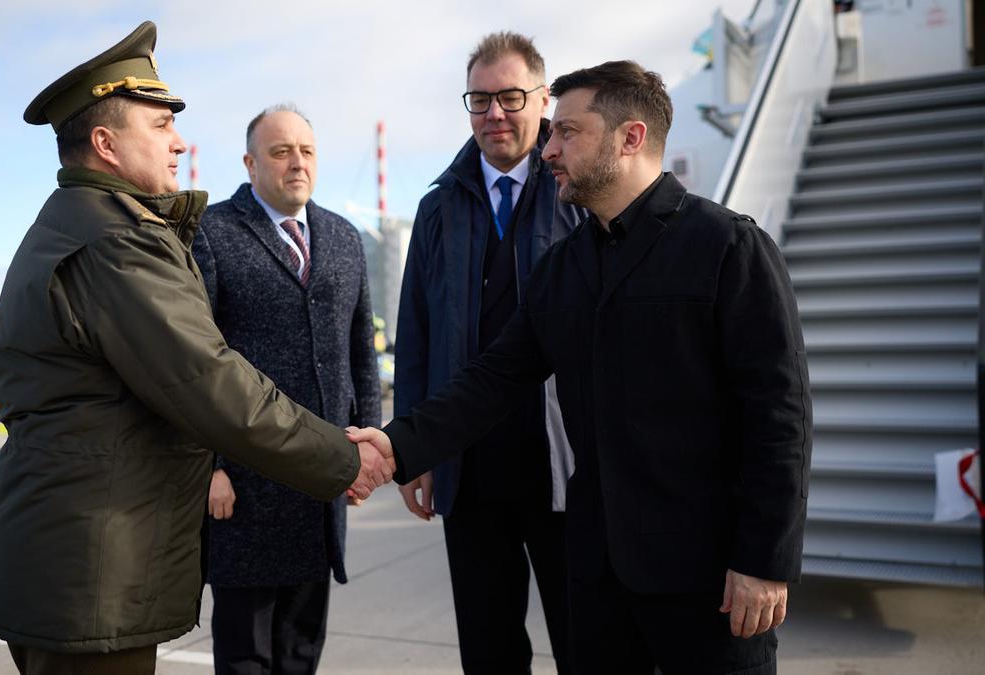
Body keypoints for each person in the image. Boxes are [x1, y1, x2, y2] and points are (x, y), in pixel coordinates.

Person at [350, 60, 811, 674]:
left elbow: (779, 420)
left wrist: (764, 561)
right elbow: (492, 381)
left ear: (630, 137)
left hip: (709, 584)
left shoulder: (728, 248)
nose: (549, 150)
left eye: (567, 132)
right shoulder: (565, 268)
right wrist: (393, 445)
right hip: (597, 580)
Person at [0, 22, 392, 674]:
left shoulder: (83, 225)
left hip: (74, 560)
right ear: (106, 143)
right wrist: (341, 457)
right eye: (159, 127)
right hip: (91, 571)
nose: (178, 142)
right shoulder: (118, 242)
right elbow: (209, 379)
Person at [392, 31, 583, 674]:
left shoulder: (579, 192)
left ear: (543, 99)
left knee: (588, 639)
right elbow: (414, 331)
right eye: (480, 99)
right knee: (488, 646)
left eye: (510, 97)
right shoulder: (438, 208)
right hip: (470, 467)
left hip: (566, 464)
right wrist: (415, 451)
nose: (494, 113)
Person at [193, 105, 381, 675]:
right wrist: (209, 465)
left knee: (302, 649)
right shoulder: (213, 233)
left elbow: (360, 355)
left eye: (307, 151)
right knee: (246, 653)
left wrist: (368, 449)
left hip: (321, 479)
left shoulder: (343, 238)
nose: (297, 162)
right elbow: (194, 362)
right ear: (251, 163)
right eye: (281, 152)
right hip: (245, 486)